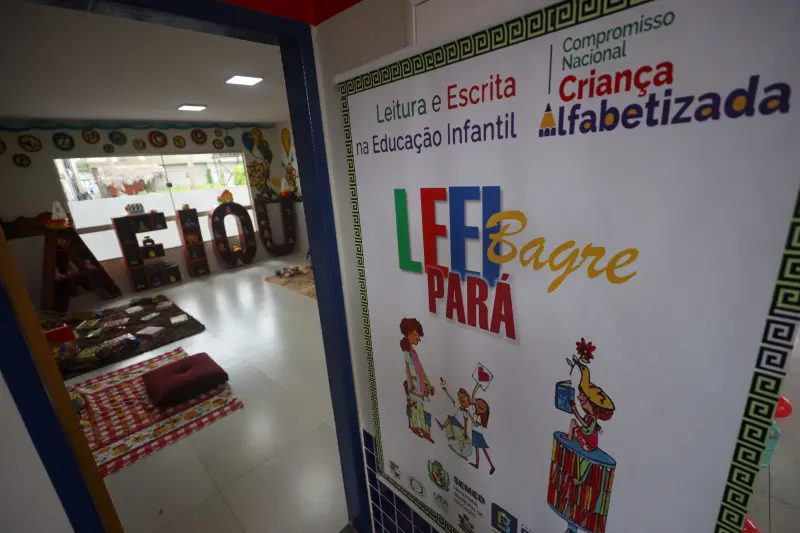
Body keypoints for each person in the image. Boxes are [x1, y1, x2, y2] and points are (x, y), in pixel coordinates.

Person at [565, 362, 615, 452]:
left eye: (582, 395)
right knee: (574, 423)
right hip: (589, 443)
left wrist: (575, 411)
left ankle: (569, 439)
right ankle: (569, 438)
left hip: (588, 445)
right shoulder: (590, 416)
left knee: (573, 422)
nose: (578, 397)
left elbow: (585, 424)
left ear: (590, 401)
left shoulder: (592, 418)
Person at [400, 318, 434, 442]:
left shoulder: (413, 352)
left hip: (419, 383)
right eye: (415, 335)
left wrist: (429, 384)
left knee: (418, 406)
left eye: (418, 335)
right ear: (408, 334)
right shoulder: (407, 352)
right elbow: (408, 368)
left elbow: (421, 370)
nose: (418, 338)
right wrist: (411, 385)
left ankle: (421, 429)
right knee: (417, 406)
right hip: (414, 384)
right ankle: (420, 428)